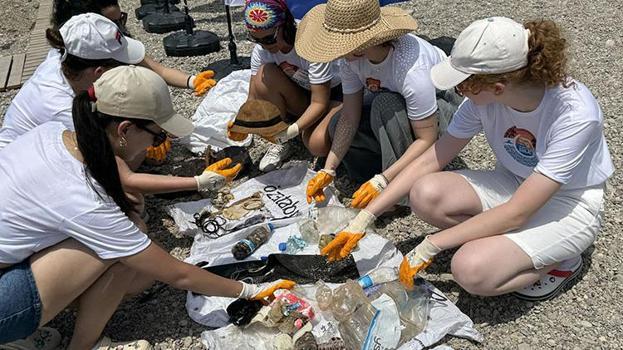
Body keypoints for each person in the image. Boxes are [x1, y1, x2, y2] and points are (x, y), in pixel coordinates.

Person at [0, 66, 294, 349]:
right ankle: (80, 345)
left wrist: (197, 182)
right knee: (120, 252)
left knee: (130, 233)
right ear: (125, 129)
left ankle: (27, 327)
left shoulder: (55, 133)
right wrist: (249, 290)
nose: (156, 145)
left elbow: (118, 178)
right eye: (158, 136)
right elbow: (178, 275)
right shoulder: (82, 196)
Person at [321, 17, 613, 302]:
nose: (457, 91)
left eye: (461, 85)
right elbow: (433, 157)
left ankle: (563, 261)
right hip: (513, 181)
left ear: (498, 87)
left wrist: (431, 244)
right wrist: (366, 216)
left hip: (568, 203)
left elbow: (518, 213)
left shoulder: (575, 115)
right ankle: (505, 244)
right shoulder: (483, 98)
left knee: (470, 270)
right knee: (425, 193)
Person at [295, 0, 460, 207]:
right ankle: (380, 171)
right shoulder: (352, 60)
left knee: (385, 104)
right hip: (396, 107)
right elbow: (350, 116)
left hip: (440, 107)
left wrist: (384, 181)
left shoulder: (411, 70)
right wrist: (329, 168)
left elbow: (426, 138)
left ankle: (400, 191)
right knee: (338, 123)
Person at [228, 0, 343, 172]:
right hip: (304, 93)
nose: (265, 45)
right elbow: (253, 95)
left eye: (269, 38)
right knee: (263, 75)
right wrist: (242, 123)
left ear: (285, 26)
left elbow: (320, 102)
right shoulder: (262, 49)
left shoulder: (310, 43)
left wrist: (293, 130)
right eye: (255, 39)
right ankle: (281, 139)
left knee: (316, 145)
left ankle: (294, 132)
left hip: (334, 95)